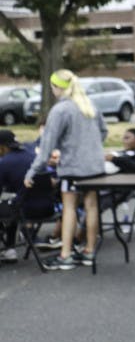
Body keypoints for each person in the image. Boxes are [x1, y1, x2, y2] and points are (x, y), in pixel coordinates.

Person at [24, 69, 107, 271]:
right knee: (91, 207)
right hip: (95, 166)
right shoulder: (89, 104)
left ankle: (66, 255)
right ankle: (89, 251)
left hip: (73, 168)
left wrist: (33, 171)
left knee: (69, 207)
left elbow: (47, 145)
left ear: (56, 87)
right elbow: (103, 132)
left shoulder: (60, 110)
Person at [0, 130, 57, 263]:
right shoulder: (33, 156)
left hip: (25, 211)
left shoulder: (5, 163)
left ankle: (9, 248)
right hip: (48, 208)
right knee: (13, 202)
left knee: (8, 206)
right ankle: (10, 248)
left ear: (2, 147)